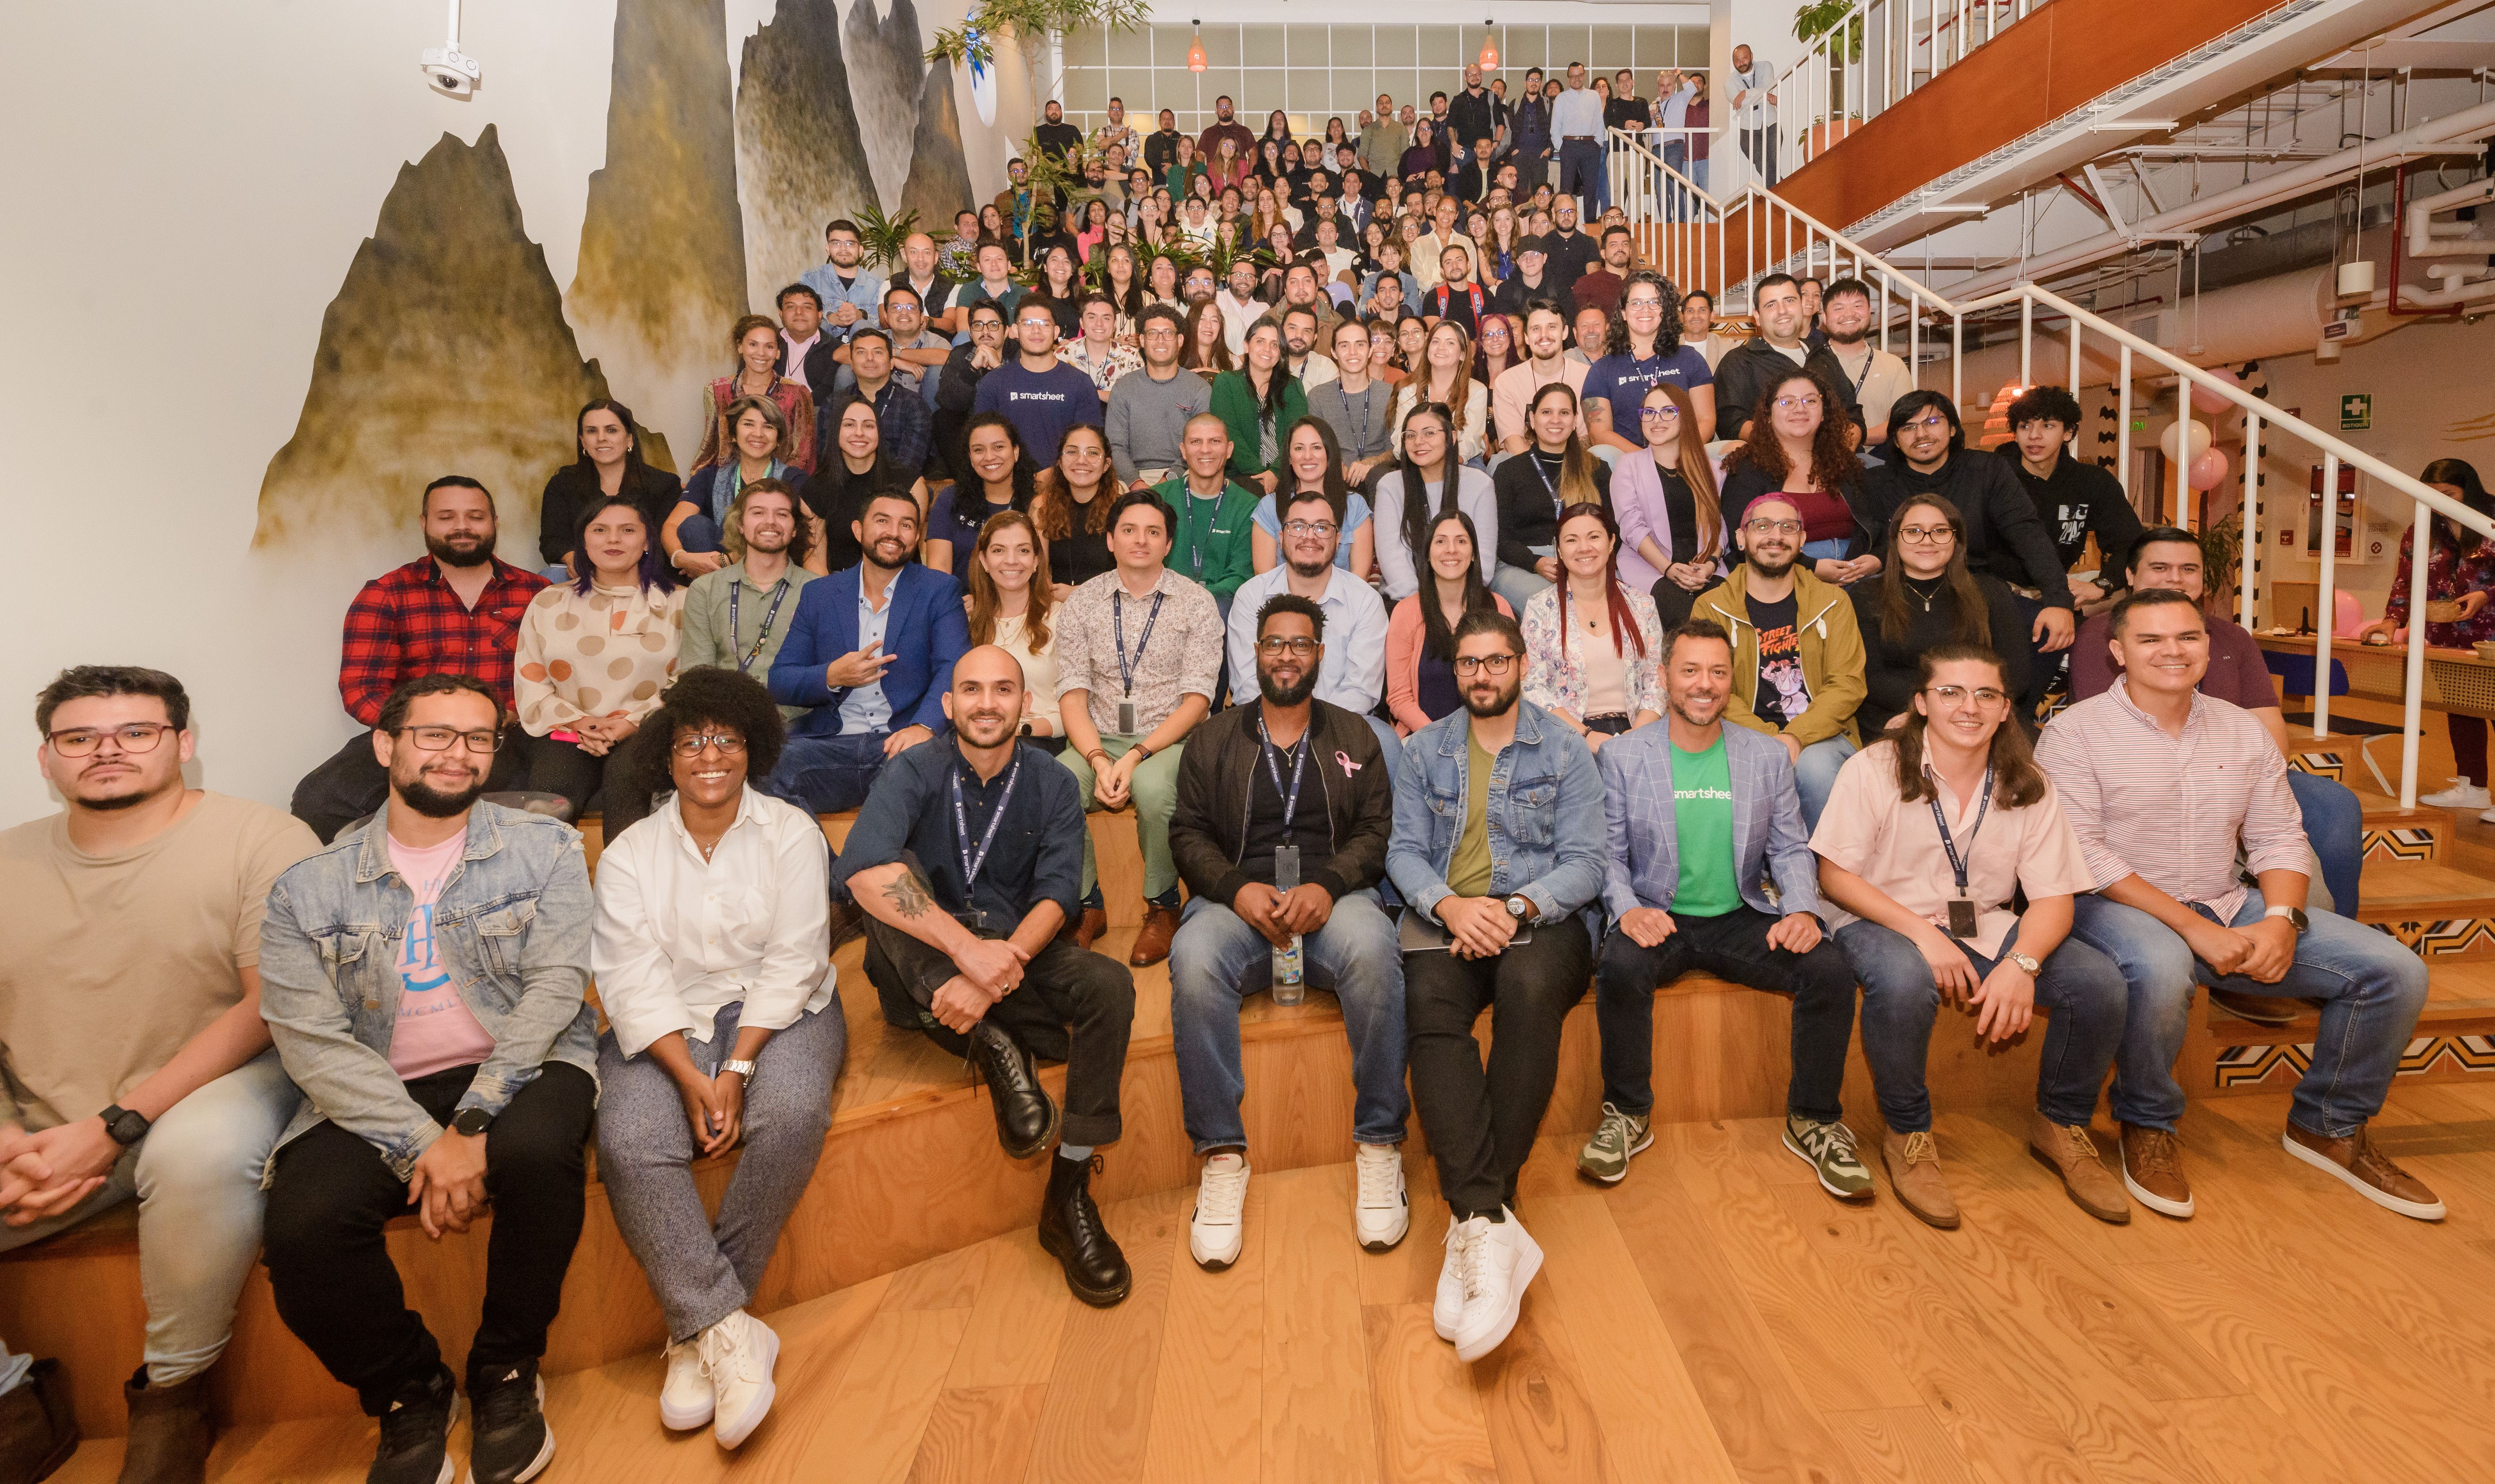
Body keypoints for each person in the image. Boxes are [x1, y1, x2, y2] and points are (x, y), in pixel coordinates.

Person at [259, 673, 598, 1484]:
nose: (460, 754)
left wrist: (475, 1119)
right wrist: (423, 1143)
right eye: (436, 735)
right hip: (380, 1085)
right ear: (386, 745)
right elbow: (311, 1041)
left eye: (479, 738)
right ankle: (408, 1386)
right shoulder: (307, 886)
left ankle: (507, 1366)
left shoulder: (544, 846)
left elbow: (557, 987)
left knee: (537, 1152)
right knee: (303, 1225)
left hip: (521, 1060)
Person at [0, 668, 319, 1481]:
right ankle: (11, 1401)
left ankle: (174, 1396)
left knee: (196, 1151)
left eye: (136, 731)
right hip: (40, 1126)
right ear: (48, 757)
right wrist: (7, 1140)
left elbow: (268, 1005)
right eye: (80, 737)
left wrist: (111, 1127)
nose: (107, 750)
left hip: (208, 1099)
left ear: (183, 742)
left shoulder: (264, 837)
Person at [2041, 590, 2442, 1222]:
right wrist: (2194, 927)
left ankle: (2327, 1125)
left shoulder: (2241, 729)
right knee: (2161, 965)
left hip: (2226, 901)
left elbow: (2280, 836)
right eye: (2150, 640)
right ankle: (2146, 1124)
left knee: (2394, 971)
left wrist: (2283, 919)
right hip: (2106, 906)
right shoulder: (2073, 732)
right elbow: (2083, 854)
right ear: (2118, 652)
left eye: (2187, 637)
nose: (2172, 651)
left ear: (2208, 645)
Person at [834, 646, 1140, 1303]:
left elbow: (1058, 896)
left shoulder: (1055, 781)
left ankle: (1069, 1191)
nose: (986, 702)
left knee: (1109, 987)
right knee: (888, 887)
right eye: (971, 689)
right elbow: (859, 869)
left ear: (1024, 705)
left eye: (1003, 689)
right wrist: (964, 952)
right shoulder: (913, 768)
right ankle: (996, 1045)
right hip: (926, 965)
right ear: (949, 706)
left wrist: (991, 973)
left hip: (1013, 956)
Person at [588, 670, 837, 1450]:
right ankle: (725, 1325)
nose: (709, 754)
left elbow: (795, 961)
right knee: (629, 1142)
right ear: (666, 756)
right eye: (691, 739)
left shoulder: (792, 831)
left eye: (726, 737)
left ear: (751, 748)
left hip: (780, 1013)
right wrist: (691, 1071)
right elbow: (628, 977)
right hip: (668, 1022)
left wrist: (735, 1069)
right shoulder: (629, 852)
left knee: (792, 1111)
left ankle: (697, 1324)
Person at [1813, 645, 2133, 1226]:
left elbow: (2055, 899)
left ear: (2006, 709)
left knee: (2098, 983)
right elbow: (1834, 876)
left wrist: (2022, 965)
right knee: (1905, 980)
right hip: (1878, 914)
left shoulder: (2027, 781)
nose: (1969, 707)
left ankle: (2060, 1124)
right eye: (1951, 693)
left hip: (1981, 922)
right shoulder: (1875, 768)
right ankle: (1908, 1134)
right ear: (1920, 703)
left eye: (1986, 694)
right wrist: (1922, 934)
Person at [1575, 620, 1864, 1190]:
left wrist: (1802, 910)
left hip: (1740, 914)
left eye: (1715, 671)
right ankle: (1626, 1114)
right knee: (1619, 966)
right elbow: (1606, 855)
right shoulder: (1623, 757)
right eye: (1689, 671)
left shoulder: (1764, 756)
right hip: (1659, 913)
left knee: (1829, 969)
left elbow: (1787, 847)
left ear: (1730, 681)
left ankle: (1814, 1119)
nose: (1702, 684)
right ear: (1663, 679)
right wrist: (1625, 909)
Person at [1389, 609, 1604, 1363]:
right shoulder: (1422, 752)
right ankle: (1489, 1221)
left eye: (1497, 661)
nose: (1483, 674)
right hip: (1447, 916)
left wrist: (1512, 908)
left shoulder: (1566, 748)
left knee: (1529, 988)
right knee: (1428, 1006)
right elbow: (1405, 851)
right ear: (1457, 671)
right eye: (1470, 663)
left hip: (1538, 920)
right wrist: (1452, 905)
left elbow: (1586, 862)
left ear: (1520, 664)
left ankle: (1479, 1217)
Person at [1167, 594, 1408, 1267]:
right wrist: (1233, 888)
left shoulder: (1356, 735)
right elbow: (1185, 832)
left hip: (1333, 899)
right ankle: (1220, 1155)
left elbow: (1375, 830)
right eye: (1275, 643)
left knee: (1373, 949)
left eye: (1301, 644)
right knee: (1192, 960)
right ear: (1255, 651)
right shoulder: (1213, 737)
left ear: (1320, 656)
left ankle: (1381, 1143)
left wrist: (1328, 884)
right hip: (1235, 903)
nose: (1286, 655)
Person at [2071, 528, 2364, 922]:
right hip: (2149, 782)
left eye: (2188, 568)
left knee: (2334, 807)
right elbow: (2105, 733)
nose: (2175, 578)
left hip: (2241, 772)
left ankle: (2338, 937)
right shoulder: (2105, 635)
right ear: (2130, 575)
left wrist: (2253, 787)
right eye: (2159, 567)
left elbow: (2267, 722)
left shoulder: (2233, 637)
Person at [292, 477, 546, 843]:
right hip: (414, 738)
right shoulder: (386, 594)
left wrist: (507, 717)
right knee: (320, 800)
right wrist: (420, 731)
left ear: (494, 522)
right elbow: (361, 690)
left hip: (511, 736)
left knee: (526, 810)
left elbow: (563, 679)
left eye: (475, 516)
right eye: (447, 517)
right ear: (424, 523)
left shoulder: (538, 594)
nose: (462, 526)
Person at [1055, 491, 1228, 965]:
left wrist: (1134, 756)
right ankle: (1087, 906)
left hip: (1171, 738)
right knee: (1058, 784)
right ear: (1110, 539)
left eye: (1153, 532)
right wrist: (1096, 757)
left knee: (1152, 790)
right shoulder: (1084, 601)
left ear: (1168, 543)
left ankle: (1162, 906)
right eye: (1129, 530)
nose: (1140, 540)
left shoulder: (1195, 602)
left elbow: (1197, 700)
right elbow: (1072, 694)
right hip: (1099, 736)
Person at [1866, 391, 2076, 712]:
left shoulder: (1986, 469)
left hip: (1978, 587)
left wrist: (2058, 599)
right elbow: (1879, 547)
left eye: (1933, 422)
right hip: (1904, 588)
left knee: (2044, 629)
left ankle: (2009, 715)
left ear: (1952, 429)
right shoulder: (1876, 482)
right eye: (1908, 428)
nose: (1921, 434)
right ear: (1894, 439)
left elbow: (2027, 532)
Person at [765, 490, 967, 814]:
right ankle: (825, 862)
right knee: (767, 766)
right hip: (830, 743)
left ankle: (864, 862)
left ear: (917, 537)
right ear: (859, 530)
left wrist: (924, 728)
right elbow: (780, 680)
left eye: (906, 525)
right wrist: (832, 676)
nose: (894, 533)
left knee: (923, 774)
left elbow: (953, 667)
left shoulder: (939, 590)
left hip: (902, 742)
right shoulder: (820, 594)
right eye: (882, 521)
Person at [1693, 494, 1867, 828]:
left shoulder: (1833, 602)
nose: (1776, 535)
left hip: (1822, 736)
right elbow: (1712, 689)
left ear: (1802, 541)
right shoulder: (1710, 607)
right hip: (1739, 733)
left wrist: (1796, 736)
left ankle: (1825, 874)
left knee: (1813, 767)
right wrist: (1770, 740)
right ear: (1742, 539)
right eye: (1763, 526)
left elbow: (1847, 685)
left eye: (1788, 527)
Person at [517, 498, 685, 837]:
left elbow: (687, 682)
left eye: (627, 530)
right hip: (567, 728)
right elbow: (532, 680)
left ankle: (625, 889)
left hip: (648, 729)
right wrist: (581, 722)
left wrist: (633, 723)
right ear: (583, 541)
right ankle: (550, 888)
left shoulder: (682, 602)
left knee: (628, 779)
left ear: (647, 541)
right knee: (550, 792)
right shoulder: (548, 602)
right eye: (600, 530)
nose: (613, 540)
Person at [2361, 459, 2495, 811]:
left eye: (2448, 495)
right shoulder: (2421, 528)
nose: (2439, 503)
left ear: (2469, 489)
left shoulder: (2491, 519)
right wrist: (2392, 621)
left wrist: (2486, 595)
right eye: (2430, 495)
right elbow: (2405, 580)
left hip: (2491, 638)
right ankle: (2472, 786)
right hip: (2445, 635)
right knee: (2461, 709)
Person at [1227, 483, 1397, 758]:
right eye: (1298, 527)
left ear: (1338, 539)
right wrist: (1287, 726)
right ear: (1281, 537)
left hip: (1342, 724)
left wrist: (1311, 728)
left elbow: (1362, 690)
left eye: (1322, 528)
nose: (1309, 537)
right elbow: (1247, 685)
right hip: (1267, 723)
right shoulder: (1251, 596)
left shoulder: (1365, 600)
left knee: (1386, 744)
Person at [1851, 495, 2030, 734]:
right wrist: (1930, 709)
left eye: (1940, 531)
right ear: (1895, 540)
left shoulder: (1991, 592)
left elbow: (2016, 673)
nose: (1927, 541)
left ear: (1957, 540)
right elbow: (1871, 677)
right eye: (1914, 531)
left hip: (1980, 714)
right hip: (1898, 715)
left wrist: (1963, 705)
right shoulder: (1866, 596)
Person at [1520, 501, 1664, 750]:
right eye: (1572, 540)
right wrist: (1586, 736)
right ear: (1560, 551)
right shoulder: (1540, 608)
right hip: (1567, 736)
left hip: (1639, 734)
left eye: (1594, 537)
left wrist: (1635, 739)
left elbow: (1656, 682)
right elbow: (1533, 687)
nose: (1584, 548)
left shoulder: (1643, 605)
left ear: (1611, 543)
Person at [1720, 370, 1878, 585]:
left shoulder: (1845, 464)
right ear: (1767, 416)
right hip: (1782, 575)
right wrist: (1811, 567)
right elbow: (1742, 539)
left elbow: (1881, 525)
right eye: (1787, 402)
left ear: (1823, 414)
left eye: (1811, 400)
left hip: (1857, 573)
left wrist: (1877, 559)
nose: (1800, 408)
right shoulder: (1748, 468)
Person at [679, 478, 819, 719]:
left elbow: (822, 676)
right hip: (723, 721)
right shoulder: (705, 589)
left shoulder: (819, 591)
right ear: (741, 524)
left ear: (795, 529)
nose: (770, 522)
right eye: (758, 512)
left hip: (796, 728)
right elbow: (697, 675)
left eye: (782, 514)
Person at [1387, 511, 1516, 735]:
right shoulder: (1406, 612)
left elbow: (1512, 681)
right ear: (1427, 554)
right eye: (1440, 541)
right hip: (1425, 738)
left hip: (1491, 738)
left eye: (1461, 541)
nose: (1451, 550)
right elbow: (1399, 698)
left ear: (1474, 554)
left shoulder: (1499, 607)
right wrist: (1440, 739)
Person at [1613, 383, 1726, 626]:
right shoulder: (1628, 466)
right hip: (1651, 568)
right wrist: (1669, 569)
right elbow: (1631, 528)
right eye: (1649, 413)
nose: (1657, 420)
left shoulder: (1712, 469)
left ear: (1684, 416)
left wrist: (1710, 565)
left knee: (1723, 616)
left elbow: (1721, 527)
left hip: (1706, 570)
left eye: (1668, 411)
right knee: (1686, 619)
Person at [1491, 382, 1609, 607]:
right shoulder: (1508, 472)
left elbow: (1613, 531)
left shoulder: (1597, 469)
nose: (1556, 420)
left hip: (1588, 559)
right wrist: (1535, 562)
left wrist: (1586, 561)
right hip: (1524, 565)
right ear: (1533, 420)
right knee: (1556, 606)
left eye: (1564, 413)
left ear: (1575, 421)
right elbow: (1500, 538)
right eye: (1547, 412)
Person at [539, 399, 684, 578]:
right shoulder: (562, 484)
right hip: (585, 573)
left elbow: (661, 546)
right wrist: (572, 558)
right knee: (551, 576)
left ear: (630, 438)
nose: (601, 438)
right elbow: (552, 541)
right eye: (592, 431)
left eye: (611, 430)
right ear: (582, 441)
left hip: (643, 573)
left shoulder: (664, 484)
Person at [668, 396, 809, 578]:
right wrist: (681, 559)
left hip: (771, 569)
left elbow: (794, 536)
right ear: (733, 435)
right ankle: (719, 593)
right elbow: (672, 525)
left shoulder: (794, 479)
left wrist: (726, 561)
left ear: (779, 438)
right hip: (714, 568)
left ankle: (722, 593)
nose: (758, 434)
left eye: (768, 427)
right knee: (695, 526)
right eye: (748, 424)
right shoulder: (708, 477)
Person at [1583, 270, 1718, 455]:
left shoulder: (1691, 359)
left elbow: (1707, 421)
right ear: (1623, 312)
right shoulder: (1602, 370)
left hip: (1684, 460)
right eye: (1636, 303)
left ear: (1665, 310)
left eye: (1654, 302)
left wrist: (1676, 457)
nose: (1645, 310)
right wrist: (1647, 461)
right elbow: (1600, 434)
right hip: (1627, 465)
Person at [1375, 403, 1500, 601]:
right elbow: (1393, 561)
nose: (1419, 442)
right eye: (1411, 435)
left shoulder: (1480, 485)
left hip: (1465, 598)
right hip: (1407, 600)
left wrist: (1452, 601)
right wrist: (1422, 604)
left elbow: (1483, 563)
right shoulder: (1390, 486)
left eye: (1429, 433)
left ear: (1451, 437)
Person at [1713, 275, 1854, 443]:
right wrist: (1793, 454)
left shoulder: (1824, 355)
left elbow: (1853, 415)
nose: (1782, 311)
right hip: (1772, 463)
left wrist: (1835, 458)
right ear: (1757, 317)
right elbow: (1732, 424)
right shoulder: (1738, 362)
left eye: (1789, 301)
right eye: (1771, 305)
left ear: (1802, 306)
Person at [967, 510, 1066, 748]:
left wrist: (1022, 730)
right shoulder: (968, 621)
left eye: (1023, 551)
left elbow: (1080, 704)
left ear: (1035, 562)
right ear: (984, 561)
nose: (1011, 560)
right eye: (999, 550)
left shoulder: (1061, 617)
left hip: (1040, 739)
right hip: (979, 736)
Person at [1149, 413, 1260, 618]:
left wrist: (1198, 599)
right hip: (1162, 603)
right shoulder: (1158, 500)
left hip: (1222, 607)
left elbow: (1240, 575)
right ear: (1183, 451)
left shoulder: (1249, 506)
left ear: (1229, 450)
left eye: (1215, 441)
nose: (1205, 450)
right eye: (1196, 442)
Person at [974, 299, 1105, 468]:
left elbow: (1090, 446)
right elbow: (983, 444)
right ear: (1015, 330)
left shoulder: (1080, 383)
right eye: (1028, 324)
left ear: (1056, 331)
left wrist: (1052, 477)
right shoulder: (993, 383)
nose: (1036, 331)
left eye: (1044, 324)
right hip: (1008, 481)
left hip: (1064, 482)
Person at [804, 396, 928, 575]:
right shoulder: (816, 488)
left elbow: (906, 550)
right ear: (835, 432)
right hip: (839, 585)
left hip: (899, 583)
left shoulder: (910, 484)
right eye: (849, 425)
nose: (859, 433)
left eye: (869, 426)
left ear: (880, 432)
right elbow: (815, 562)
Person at [1249, 417, 1377, 577]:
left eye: (1317, 447)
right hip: (1284, 600)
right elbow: (1264, 577)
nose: (1308, 456)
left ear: (1330, 455)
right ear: (1289, 458)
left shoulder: (1355, 506)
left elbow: (1361, 576)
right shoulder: (1269, 507)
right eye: (1299, 449)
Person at [1105, 304, 1211, 490]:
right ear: (1143, 340)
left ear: (1180, 340)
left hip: (1185, 474)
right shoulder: (1123, 388)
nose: (1160, 340)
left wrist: (1170, 478)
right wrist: (1135, 482)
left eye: (1168, 333)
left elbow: (1199, 445)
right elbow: (1116, 445)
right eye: (1153, 333)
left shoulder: (1199, 389)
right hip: (1131, 476)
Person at [695, 315, 816, 476]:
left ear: (778, 352)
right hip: (726, 485)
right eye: (753, 344)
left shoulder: (797, 393)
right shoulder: (717, 391)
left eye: (769, 347)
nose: (761, 353)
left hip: (778, 487)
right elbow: (710, 448)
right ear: (740, 347)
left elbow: (803, 455)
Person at [929, 412, 1037, 575]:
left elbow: (1038, 572)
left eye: (999, 447)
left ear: (1016, 452)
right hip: (960, 599)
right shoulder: (950, 499)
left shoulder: (1036, 502)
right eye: (979, 450)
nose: (989, 457)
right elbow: (939, 571)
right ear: (971, 458)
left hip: (1018, 597)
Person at [1211, 320, 1309, 497]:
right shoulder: (1227, 383)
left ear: (1281, 352)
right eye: (1260, 342)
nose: (1267, 350)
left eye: (1275, 345)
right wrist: (1260, 476)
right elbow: (1228, 434)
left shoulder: (1293, 387)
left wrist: (1276, 472)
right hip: (1240, 475)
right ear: (1246, 346)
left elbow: (1296, 435)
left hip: (1287, 472)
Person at [825, 327, 933, 480]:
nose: (870, 358)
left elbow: (908, 468)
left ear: (891, 363)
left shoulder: (912, 404)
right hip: (843, 486)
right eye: (861, 352)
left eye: (878, 352)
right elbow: (827, 458)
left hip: (893, 491)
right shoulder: (834, 403)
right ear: (852, 363)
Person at [1817, 279, 1913, 446]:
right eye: (1839, 308)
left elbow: (1902, 422)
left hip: (1878, 463)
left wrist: (1855, 438)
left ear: (1869, 311)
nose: (1849, 314)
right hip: (1819, 461)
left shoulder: (1894, 365)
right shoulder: (1810, 363)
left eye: (1857, 306)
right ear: (1824, 317)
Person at [1306, 316, 1398, 490]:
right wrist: (1332, 464)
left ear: (1370, 350)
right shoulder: (1318, 396)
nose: (1353, 352)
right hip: (1334, 479)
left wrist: (1372, 462)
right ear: (1334, 352)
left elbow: (1396, 450)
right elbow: (1315, 446)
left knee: (1383, 479)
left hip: (1378, 479)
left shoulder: (1390, 394)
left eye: (1360, 344)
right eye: (1345, 345)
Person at [1490, 299, 1588, 456]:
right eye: (1536, 329)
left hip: (1575, 463)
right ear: (1527, 338)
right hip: (1527, 466)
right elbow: (1513, 443)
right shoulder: (1507, 382)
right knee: (1500, 460)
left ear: (1565, 332)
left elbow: (1589, 440)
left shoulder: (1587, 377)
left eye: (1552, 327)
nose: (1544, 335)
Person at [1032, 424, 1120, 596]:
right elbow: (1036, 572)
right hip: (1056, 606)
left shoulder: (1123, 510)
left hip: (1110, 607)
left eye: (1093, 453)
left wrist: (1077, 593)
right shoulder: (1042, 506)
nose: (1082, 460)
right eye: (1072, 452)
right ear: (1060, 461)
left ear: (1106, 464)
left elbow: (1132, 577)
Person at [1389, 323, 1491, 468]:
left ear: (1462, 354)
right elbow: (1401, 434)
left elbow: (1471, 438)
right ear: (1428, 349)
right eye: (1436, 341)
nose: (1441, 347)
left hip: (1461, 461)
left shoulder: (1477, 390)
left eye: (1450, 343)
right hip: (1418, 458)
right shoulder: (1409, 391)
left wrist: (1441, 460)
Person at [799, 218, 884, 347]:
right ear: (828, 249)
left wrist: (862, 316)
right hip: (822, 351)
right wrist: (831, 320)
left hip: (862, 355)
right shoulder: (811, 280)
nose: (843, 249)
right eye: (836, 244)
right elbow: (801, 324)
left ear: (861, 250)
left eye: (850, 244)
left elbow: (886, 328)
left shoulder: (877, 286)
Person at [1551, 61, 1608, 214]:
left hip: (1591, 146)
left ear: (1584, 76)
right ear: (1568, 78)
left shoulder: (1594, 96)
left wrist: (1599, 143)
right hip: (1568, 146)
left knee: (1591, 189)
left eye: (1579, 75)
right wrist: (1561, 148)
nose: (1576, 79)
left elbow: (1599, 122)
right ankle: (1566, 222)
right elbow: (1555, 127)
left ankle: (1590, 225)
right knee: (1567, 190)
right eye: (1573, 76)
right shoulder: (1561, 98)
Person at [1730, 44, 1779, 186]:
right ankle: (1788, 197)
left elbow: (1769, 87)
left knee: (1773, 167)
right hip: (1748, 130)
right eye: (1737, 60)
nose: (1741, 63)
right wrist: (1764, 95)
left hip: (1771, 124)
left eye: (1745, 58)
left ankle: (1780, 202)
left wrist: (1746, 93)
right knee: (1764, 164)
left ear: (1752, 56)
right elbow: (1740, 104)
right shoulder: (1729, 82)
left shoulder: (1766, 67)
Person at [776, 285, 833, 396]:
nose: (799, 312)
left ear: (820, 314)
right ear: (781, 314)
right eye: (791, 307)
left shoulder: (834, 350)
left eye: (807, 307)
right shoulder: (768, 342)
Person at [1180, 297, 1236, 380]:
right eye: (1202, 319)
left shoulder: (1233, 361)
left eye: (1214, 321)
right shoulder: (1176, 361)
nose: (1209, 325)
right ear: (1191, 323)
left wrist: (1218, 375)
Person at [1680, 290, 1735, 369]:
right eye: (1690, 311)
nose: (1696, 316)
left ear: (1712, 316)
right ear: (1682, 318)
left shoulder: (1726, 348)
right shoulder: (1669, 347)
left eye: (1702, 310)